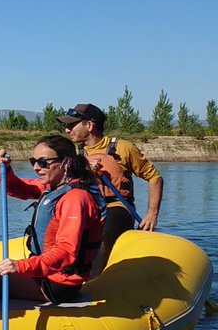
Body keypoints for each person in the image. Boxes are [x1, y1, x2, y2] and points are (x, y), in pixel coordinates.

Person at [0, 135, 105, 303]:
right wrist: (4, 169)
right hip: (46, 272)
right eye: (33, 161)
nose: (36, 167)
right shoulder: (54, 187)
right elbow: (18, 188)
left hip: (57, 282)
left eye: (43, 162)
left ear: (66, 163)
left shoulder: (76, 198)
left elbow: (66, 251)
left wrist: (20, 266)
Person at [59, 103, 163, 275]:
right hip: (85, 207)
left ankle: (94, 282)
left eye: (71, 125)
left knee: (103, 233)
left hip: (116, 207)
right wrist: (84, 167)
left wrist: (152, 214)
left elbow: (155, 178)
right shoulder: (73, 153)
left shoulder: (123, 148)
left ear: (90, 125)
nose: (67, 130)